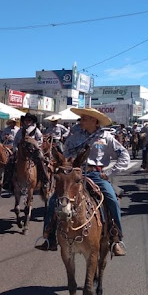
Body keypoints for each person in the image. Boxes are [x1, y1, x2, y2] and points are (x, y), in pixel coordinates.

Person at [42, 107, 129, 256]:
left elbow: (124, 155)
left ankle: (116, 238)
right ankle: (49, 237)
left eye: (85, 118)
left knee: (112, 199)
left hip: (96, 175)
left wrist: (109, 172)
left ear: (94, 121)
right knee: (53, 200)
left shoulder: (106, 137)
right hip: (75, 174)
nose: (81, 120)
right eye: (81, 118)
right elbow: (66, 156)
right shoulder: (74, 137)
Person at [3, 112, 50, 190]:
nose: (27, 121)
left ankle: (44, 180)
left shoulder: (36, 130)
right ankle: (7, 182)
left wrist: (35, 145)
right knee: (9, 162)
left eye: (29, 120)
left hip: (33, 150)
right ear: (24, 121)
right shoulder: (20, 130)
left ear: (32, 121)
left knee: (41, 160)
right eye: (26, 120)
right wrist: (15, 148)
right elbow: (15, 141)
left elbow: (40, 140)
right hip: (21, 150)